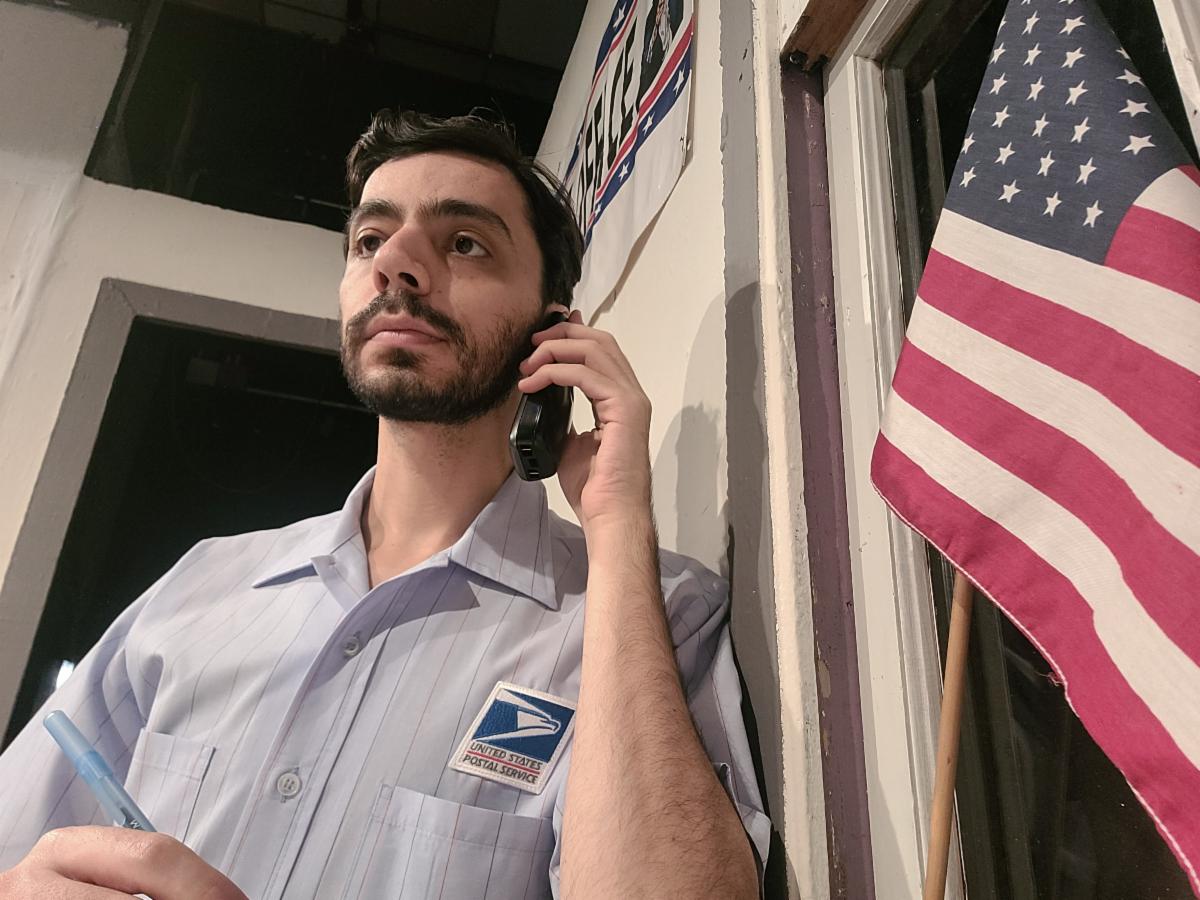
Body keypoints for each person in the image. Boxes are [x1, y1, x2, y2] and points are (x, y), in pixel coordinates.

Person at [0, 111, 768, 899]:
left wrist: (616, 521)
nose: (394, 263)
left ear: (553, 335)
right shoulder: (203, 585)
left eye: (464, 242)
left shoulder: (655, 612)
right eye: (369, 240)